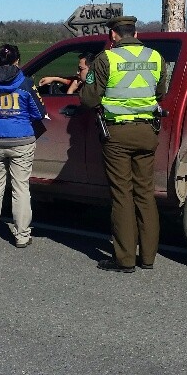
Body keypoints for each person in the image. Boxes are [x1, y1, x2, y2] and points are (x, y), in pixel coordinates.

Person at [79, 16, 166, 272]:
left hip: (117, 134)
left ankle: (125, 259)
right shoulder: (155, 57)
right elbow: (160, 92)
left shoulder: (106, 59)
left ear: (113, 35)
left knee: (122, 195)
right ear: (135, 32)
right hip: (148, 131)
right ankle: (148, 258)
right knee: (145, 194)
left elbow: (88, 99)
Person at [0, 43, 47, 248]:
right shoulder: (25, 82)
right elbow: (39, 112)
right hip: (21, 140)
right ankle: (22, 236)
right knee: (20, 187)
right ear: (17, 61)